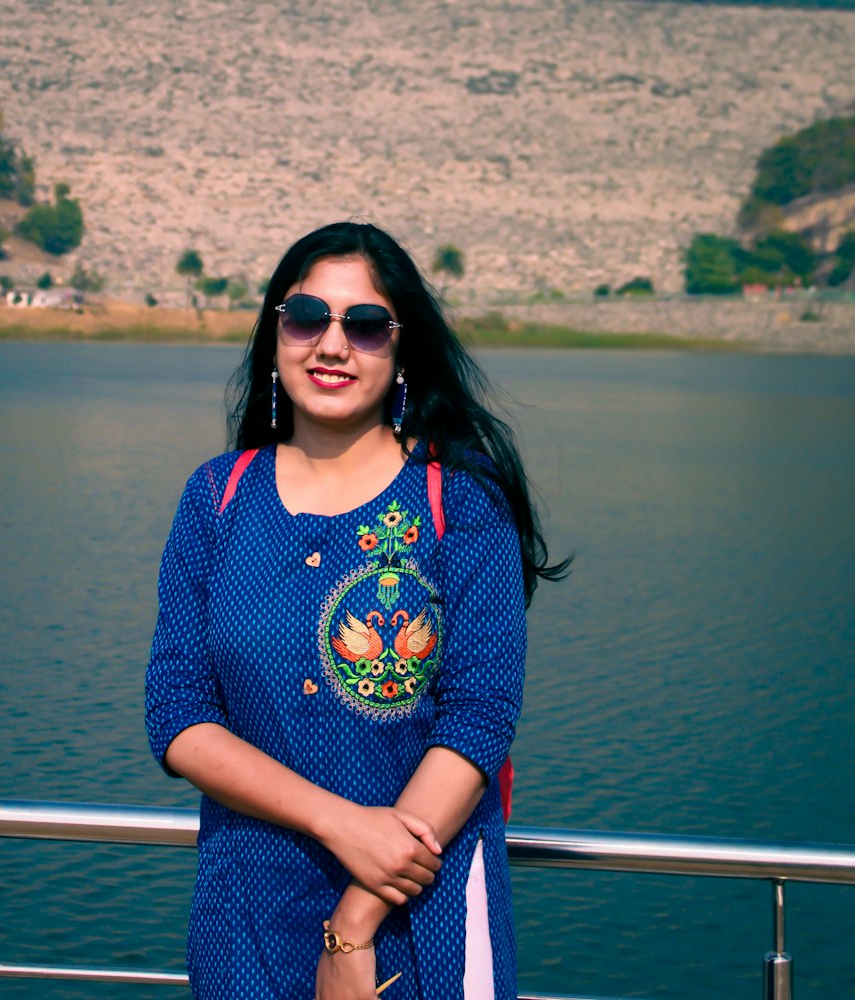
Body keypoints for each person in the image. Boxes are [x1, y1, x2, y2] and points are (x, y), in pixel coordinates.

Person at [145, 221, 567, 1000]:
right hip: (247, 916)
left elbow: (478, 719)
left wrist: (355, 921)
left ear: (401, 348)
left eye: (365, 325)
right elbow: (178, 715)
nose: (332, 345)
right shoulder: (216, 499)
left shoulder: (459, 503)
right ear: (276, 334)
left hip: (420, 908)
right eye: (308, 317)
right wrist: (340, 822)